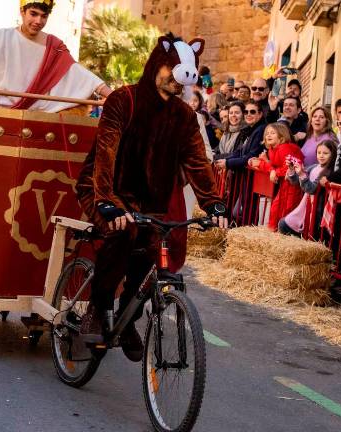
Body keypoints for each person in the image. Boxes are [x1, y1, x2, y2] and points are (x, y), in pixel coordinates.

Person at [75, 34, 227, 361]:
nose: (176, 83)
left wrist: (212, 202)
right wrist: (107, 200)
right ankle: (96, 312)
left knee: (154, 249)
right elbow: (106, 155)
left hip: (149, 199)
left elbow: (197, 161)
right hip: (103, 189)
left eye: (181, 77)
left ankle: (129, 317)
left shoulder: (184, 116)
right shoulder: (123, 100)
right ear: (157, 66)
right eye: (171, 73)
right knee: (123, 232)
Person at [0, 1, 110, 113]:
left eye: (44, 16)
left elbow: (79, 73)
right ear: (22, 12)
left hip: (31, 124)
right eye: (33, 14)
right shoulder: (1, 37)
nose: (38, 21)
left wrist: (112, 95)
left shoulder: (54, 46)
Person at [249, 122, 304, 230]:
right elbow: (273, 168)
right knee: (276, 208)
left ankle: (282, 232)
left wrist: (271, 170)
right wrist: (261, 162)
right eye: (267, 133)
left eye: (272, 133)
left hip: (293, 184)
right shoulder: (271, 149)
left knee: (287, 209)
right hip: (284, 183)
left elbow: (289, 167)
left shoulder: (284, 148)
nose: (268, 135)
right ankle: (273, 230)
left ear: (281, 136)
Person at [279, 140, 337, 236]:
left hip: (317, 209)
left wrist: (302, 174)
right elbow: (296, 181)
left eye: (325, 153)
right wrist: (292, 170)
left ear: (333, 154)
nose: (321, 156)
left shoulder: (328, 172)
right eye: (319, 153)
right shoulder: (314, 167)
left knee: (308, 233)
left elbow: (311, 189)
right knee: (283, 224)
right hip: (305, 205)